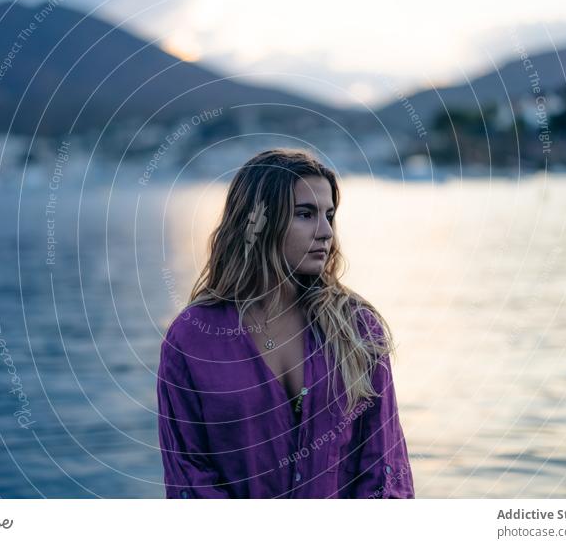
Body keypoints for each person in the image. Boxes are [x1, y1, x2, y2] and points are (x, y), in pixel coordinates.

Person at [157, 148, 414, 498]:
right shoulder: (191, 339)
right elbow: (189, 476)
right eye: (305, 214)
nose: (325, 232)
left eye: (329, 215)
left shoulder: (356, 328)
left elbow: (384, 470)